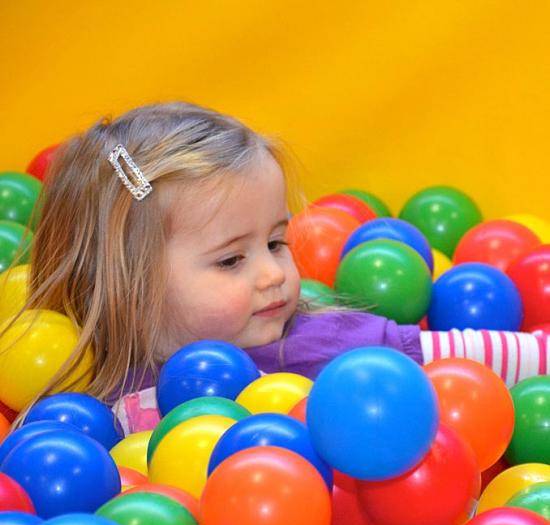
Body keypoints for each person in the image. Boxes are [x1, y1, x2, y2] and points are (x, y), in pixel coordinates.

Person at [2, 101, 547, 434]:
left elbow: (464, 361)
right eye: (232, 259)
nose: (273, 274)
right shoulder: (76, 377)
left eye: (277, 241)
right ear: (125, 282)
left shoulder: (317, 346)